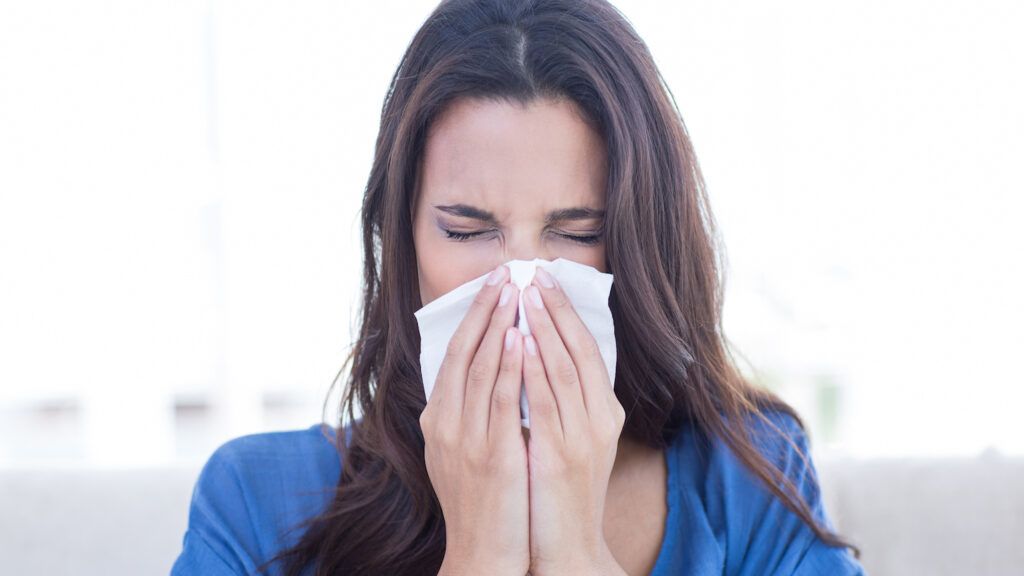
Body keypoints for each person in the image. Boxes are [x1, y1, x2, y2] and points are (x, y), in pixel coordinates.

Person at [172, 0, 867, 574]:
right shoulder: (257, 499)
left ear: (637, 243)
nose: (520, 282)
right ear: (403, 238)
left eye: (574, 232)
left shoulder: (750, 476)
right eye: (468, 231)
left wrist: (573, 548)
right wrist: (481, 555)